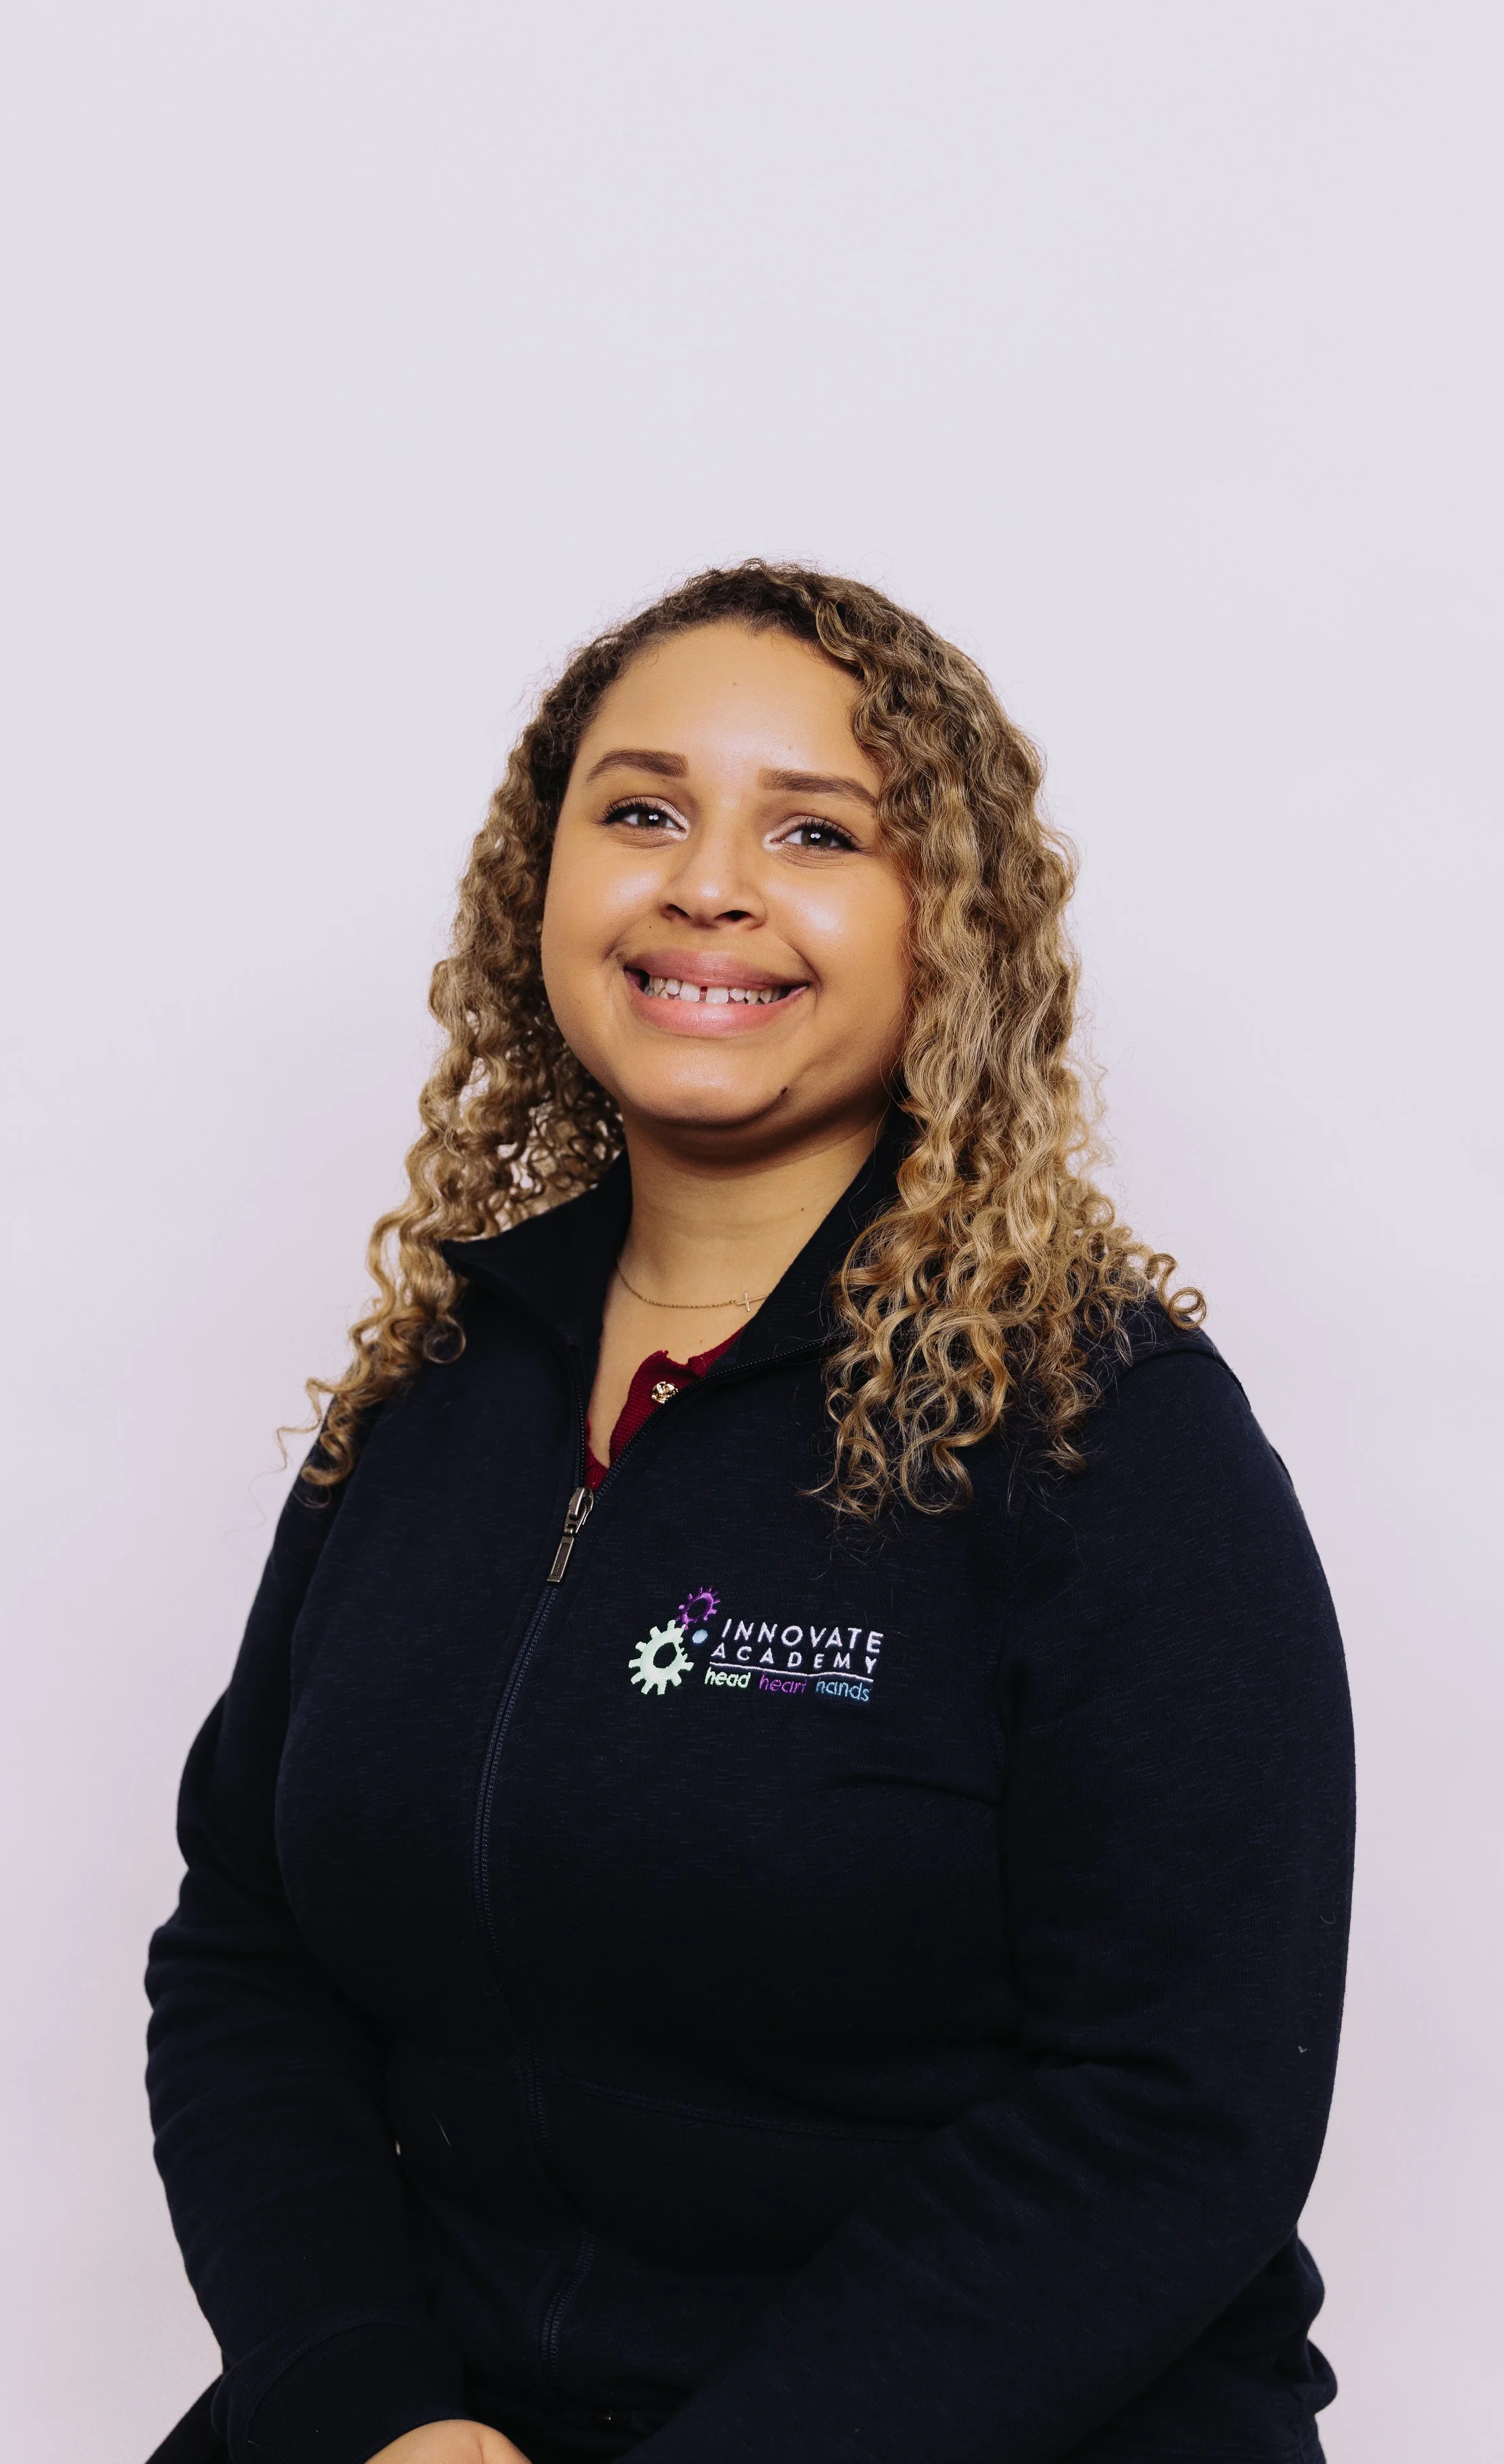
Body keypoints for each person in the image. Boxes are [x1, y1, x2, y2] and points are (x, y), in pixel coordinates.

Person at [145, 562, 1353, 2464]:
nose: (706, 882)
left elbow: (1172, 2105)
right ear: (540, 885)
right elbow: (247, 1952)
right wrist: (366, 2409)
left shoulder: (1103, 1435)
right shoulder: (440, 1392)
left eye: (815, 831)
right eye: (640, 810)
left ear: (944, 930)